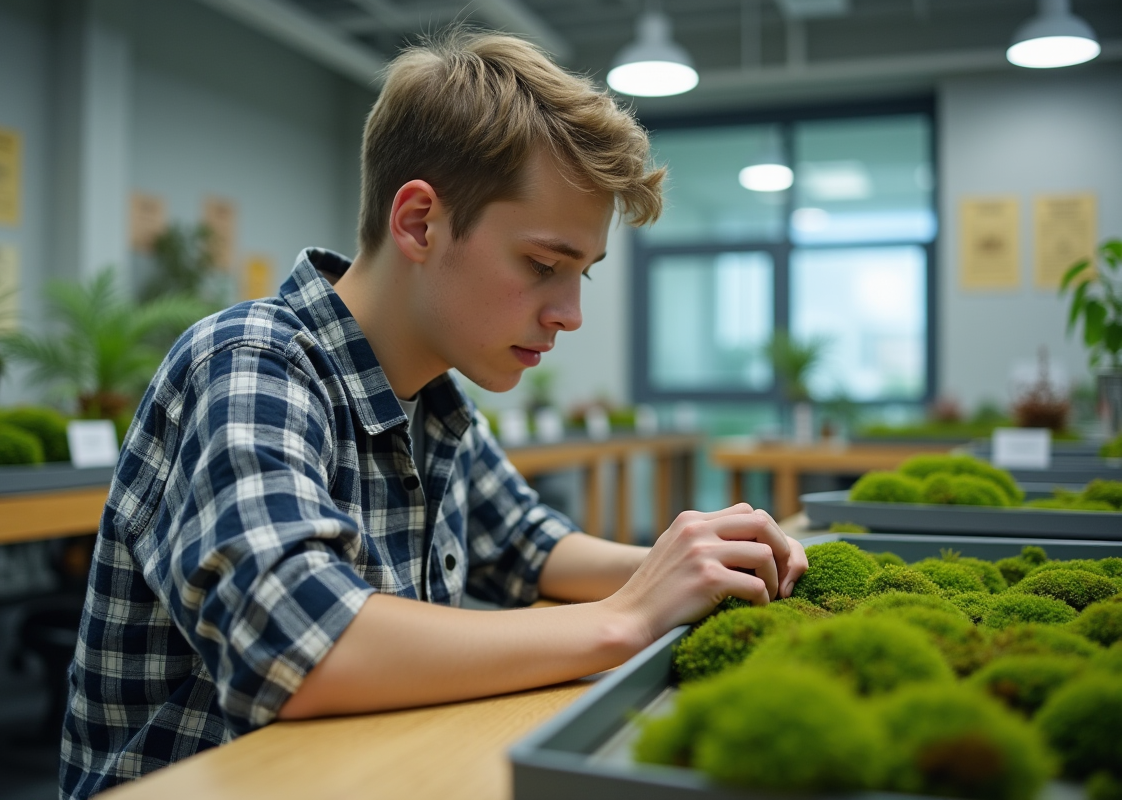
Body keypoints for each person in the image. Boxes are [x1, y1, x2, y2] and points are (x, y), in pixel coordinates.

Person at [59, 29, 809, 799]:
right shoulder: (250, 363)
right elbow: (298, 646)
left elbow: (526, 545)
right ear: (419, 222)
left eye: (581, 273)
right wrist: (627, 618)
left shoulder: (433, 396)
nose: (570, 314)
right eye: (543, 265)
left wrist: (692, 564)